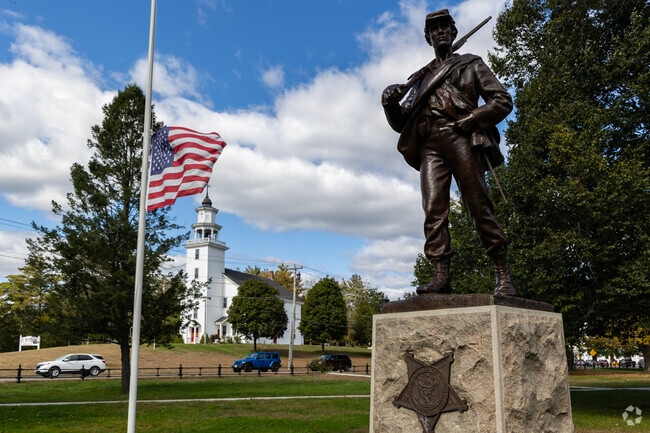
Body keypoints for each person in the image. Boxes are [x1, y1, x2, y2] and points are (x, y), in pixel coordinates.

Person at [381, 9, 516, 296]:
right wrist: (389, 104)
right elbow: (402, 122)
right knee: (433, 210)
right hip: (431, 143)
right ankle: (441, 275)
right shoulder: (420, 79)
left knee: (478, 204)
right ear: (428, 37)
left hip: (462, 137)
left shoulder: (471, 65)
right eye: (434, 29)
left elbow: (502, 100)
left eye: (445, 27)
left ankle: (503, 274)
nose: (440, 32)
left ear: (453, 33)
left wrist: (474, 118)